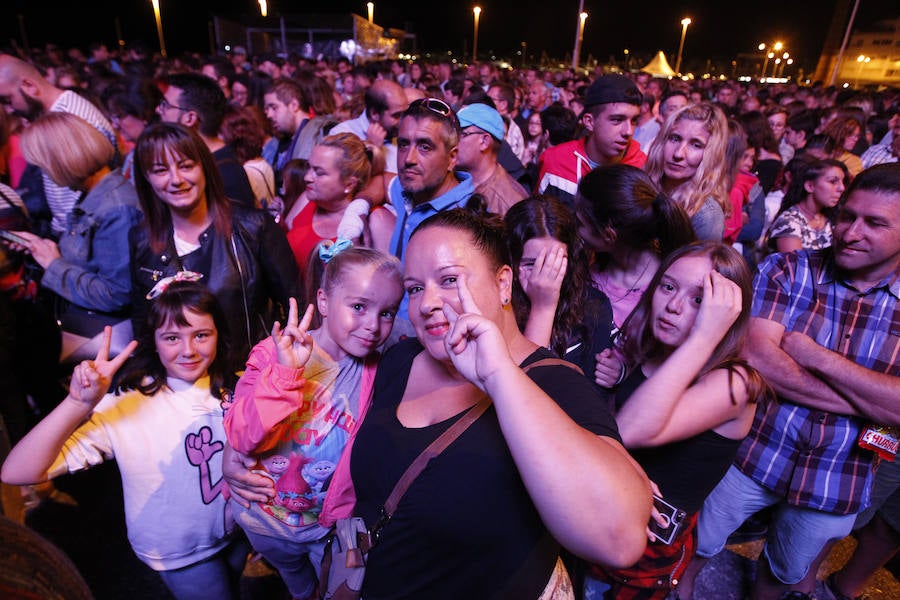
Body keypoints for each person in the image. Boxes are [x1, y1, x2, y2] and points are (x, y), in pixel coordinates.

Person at [355, 209, 650, 597]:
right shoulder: (402, 359)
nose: (427, 302)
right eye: (413, 288)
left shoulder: (552, 383)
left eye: (449, 280)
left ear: (504, 284)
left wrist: (498, 375)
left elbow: (619, 539)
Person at [679, 163, 900, 600]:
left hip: (840, 475)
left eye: (874, 223)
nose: (851, 232)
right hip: (753, 450)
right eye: (846, 216)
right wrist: (870, 399)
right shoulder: (790, 268)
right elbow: (759, 356)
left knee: (782, 575)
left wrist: (816, 356)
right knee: (695, 545)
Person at [1, 282, 248, 600]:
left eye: (201, 335)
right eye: (172, 337)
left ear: (219, 334)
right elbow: (16, 473)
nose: (188, 350)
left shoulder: (237, 385)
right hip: (181, 549)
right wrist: (78, 403)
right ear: (154, 342)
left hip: (236, 530)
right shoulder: (127, 403)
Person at [586, 242, 764, 599]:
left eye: (700, 299)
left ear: (726, 311)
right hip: (602, 512)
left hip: (641, 553)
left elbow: (629, 431)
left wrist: (705, 336)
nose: (673, 306)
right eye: (667, 286)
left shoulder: (735, 383)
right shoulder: (658, 353)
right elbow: (614, 428)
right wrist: (622, 376)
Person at [224, 247, 403, 600]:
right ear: (323, 301)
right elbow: (243, 436)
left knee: (342, 587)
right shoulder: (272, 353)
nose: (372, 325)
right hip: (264, 521)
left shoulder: (377, 368)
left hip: (331, 524)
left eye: (387, 313)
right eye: (358, 307)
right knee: (294, 577)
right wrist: (285, 373)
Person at [129, 123, 301, 370]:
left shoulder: (253, 227)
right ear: (146, 178)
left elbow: (298, 306)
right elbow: (143, 325)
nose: (176, 179)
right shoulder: (142, 239)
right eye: (160, 170)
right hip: (181, 385)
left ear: (204, 167)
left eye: (186, 166)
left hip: (249, 379)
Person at [13, 112, 142, 362]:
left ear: (59, 161)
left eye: (43, 167)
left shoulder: (116, 209)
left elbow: (115, 294)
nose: (44, 175)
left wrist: (54, 264)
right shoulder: (95, 195)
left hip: (106, 341)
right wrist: (42, 250)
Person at [505, 195, 614, 394]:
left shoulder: (594, 306)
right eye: (532, 264)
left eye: (556, 263)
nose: (545, 275)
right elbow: (518, 394)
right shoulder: (496, 306)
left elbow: (590, 398)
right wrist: (542, 307)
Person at [0, 54, 116, 235]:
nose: (9, 110)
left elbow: (76, 205)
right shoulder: (58, 114)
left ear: (29, 86)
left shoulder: (70, 120)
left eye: (7, 100)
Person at [575, 165, 695, 331]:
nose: (575, 228)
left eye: (580, 223)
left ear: (609, 235)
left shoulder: (665, 296)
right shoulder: (592, 271)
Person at [286, 133, 395, 277]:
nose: (307, 177)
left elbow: (390, 281)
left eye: (319, 173)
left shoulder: (376, 220)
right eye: (309, 168)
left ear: (349, 184)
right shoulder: (308, 198)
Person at [537, 74, 646, 206]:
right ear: (589, 122)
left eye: (634, 120)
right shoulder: (555, 161)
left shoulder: (643, 168)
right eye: (617, 120)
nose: (628, 131)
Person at [156, 73, 255, 206]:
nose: (158, 110)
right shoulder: (204, 162)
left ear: (190, 118)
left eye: (165, 105)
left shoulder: (225, 176)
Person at [645, 102, 730, 241]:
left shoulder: (707, 215)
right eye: (675, 138)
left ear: (710, 155)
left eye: (696, 145)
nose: (678, 154)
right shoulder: (645, 186)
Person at [455, 103, 528, 216]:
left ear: (484, 142)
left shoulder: (508, 204)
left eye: (461, 134)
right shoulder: (455, 177)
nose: (453, 141)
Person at [765, 157, 847, 254]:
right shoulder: (788, 222)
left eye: (843, 182)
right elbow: (797, 267)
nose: (842, 188)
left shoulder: (831, 219)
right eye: (833, 181)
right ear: (810, 186)